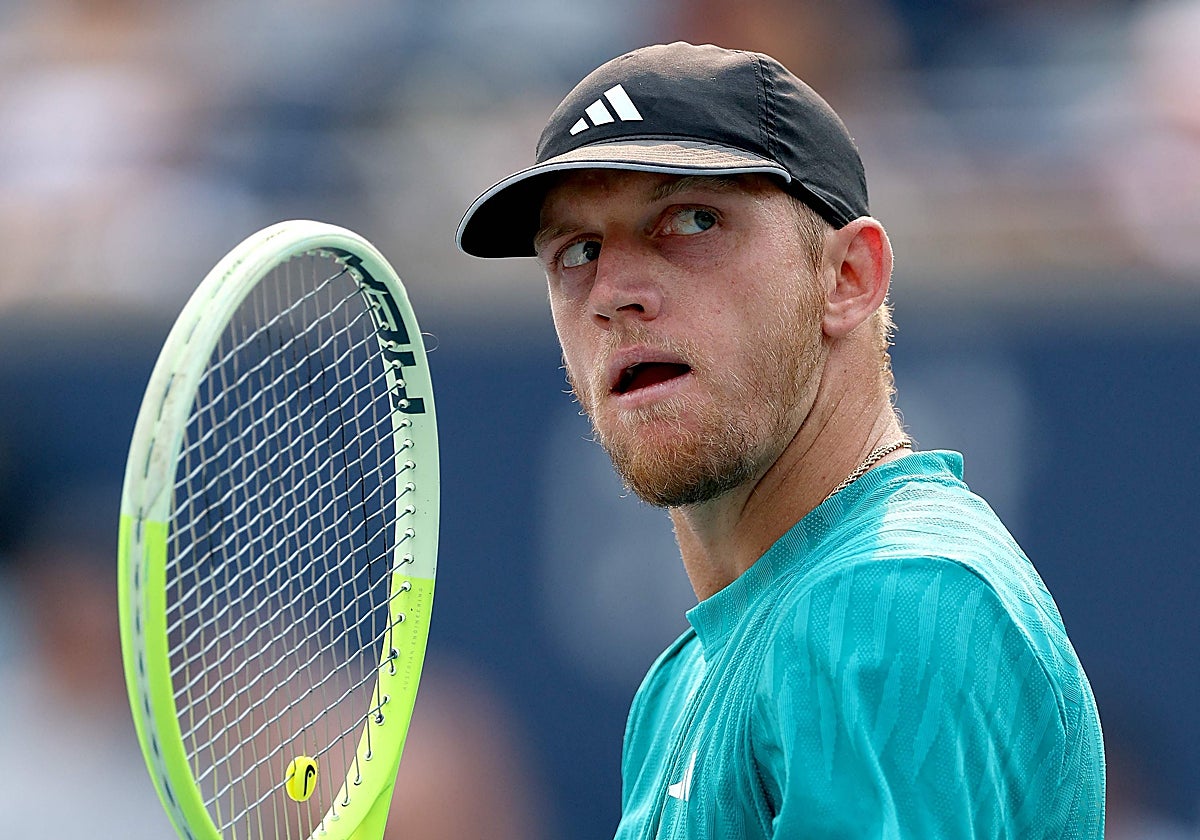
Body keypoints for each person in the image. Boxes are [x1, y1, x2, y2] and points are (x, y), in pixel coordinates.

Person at [455, 41, 1105, 838]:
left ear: (848, 277)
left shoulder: (886, 604)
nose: (614, 294)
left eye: (691, 220)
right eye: (577, 251)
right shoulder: (679, 688)